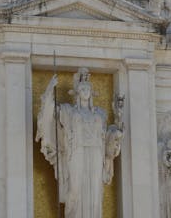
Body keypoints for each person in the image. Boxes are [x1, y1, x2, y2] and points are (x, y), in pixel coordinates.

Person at [36, 68, 124, 218]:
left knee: (95, 190)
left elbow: (108, 136)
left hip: (96, 152)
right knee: (75, 188)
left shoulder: (100, 114)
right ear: (76, 92)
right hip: (76, 151)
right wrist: (50, 92)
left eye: (87, 88)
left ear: (91, 92)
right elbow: (49, 116)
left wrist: (117, 129)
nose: (85, 90)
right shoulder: (69, 111)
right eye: (82, 88)